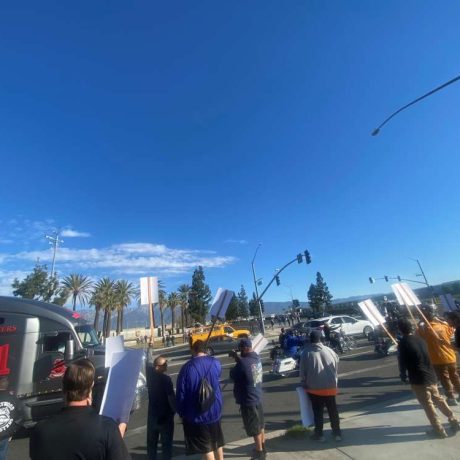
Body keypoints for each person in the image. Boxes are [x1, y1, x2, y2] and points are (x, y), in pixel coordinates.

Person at [30, 359, 131, 460]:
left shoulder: (39, 431)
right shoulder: (107, 429)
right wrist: (117, 436)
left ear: (63, 388)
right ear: (91, 388)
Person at [398, 318, 459, 438]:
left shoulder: (403, 343)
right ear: (412, 327)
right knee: (438, 399)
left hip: (418, 378)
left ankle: (438, 429)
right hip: (430, 375)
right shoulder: (421, 339)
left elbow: (402, 362)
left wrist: (403, 376)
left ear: (400, 329)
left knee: (428, 404)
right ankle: (453, 419)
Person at [176, 340, 224, 460]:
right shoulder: (216, 363)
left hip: (197, 414)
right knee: (217, 442)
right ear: (205, 349)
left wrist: (182, 413)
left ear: (193, 350)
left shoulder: (186, 368)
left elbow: (181, 394)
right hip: (215, 410)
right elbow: (217, 378)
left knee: (206, 448)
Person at [299, 330, 341, 442]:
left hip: (315, 389)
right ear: (321, 339)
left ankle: (319, 435)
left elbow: (302, 372)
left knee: (318, 412)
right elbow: (336, 364)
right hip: (331, 387)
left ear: (310, 339)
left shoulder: (306, 353)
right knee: (333, 411)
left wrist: (304, 382)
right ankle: (337, 434)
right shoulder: (330, 351)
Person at [417, 304, 460, 405]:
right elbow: (451, 333)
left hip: (437, 359)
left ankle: (451, 397)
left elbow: (418, 338)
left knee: (445, 380)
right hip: (450, 356)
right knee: (455, 377)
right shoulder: (444, 325)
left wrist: (420, 324)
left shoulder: (423, 329)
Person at [230, 339, 265, 460]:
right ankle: (263, 446)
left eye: (240, 349)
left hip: (248, 399)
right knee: (260, 424)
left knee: (254, 427)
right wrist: (238, 358)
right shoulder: (256, 357)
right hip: (257, 395)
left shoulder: (242, 364)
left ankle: (259, 453)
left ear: (245, 348)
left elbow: (233, 375)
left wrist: (237, 360)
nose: (240, 352)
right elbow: (247, 366)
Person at [147, 355, 176, 460]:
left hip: (152, 416)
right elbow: (171, 398)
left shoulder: (149, 376)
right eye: (164, 364)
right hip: (165, 418)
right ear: (157, 367)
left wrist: (150, 346)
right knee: (166, 446)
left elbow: (148, 361)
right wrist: (176, 411)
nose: (166, 366)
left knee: (151, 445)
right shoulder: (166, 379)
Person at [0, 375, 23, 460]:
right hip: (5, 436)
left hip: (5, 435)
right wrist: (12, 432)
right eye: (5, 380)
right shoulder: (13, 399)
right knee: (2, 454)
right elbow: (19, 418)